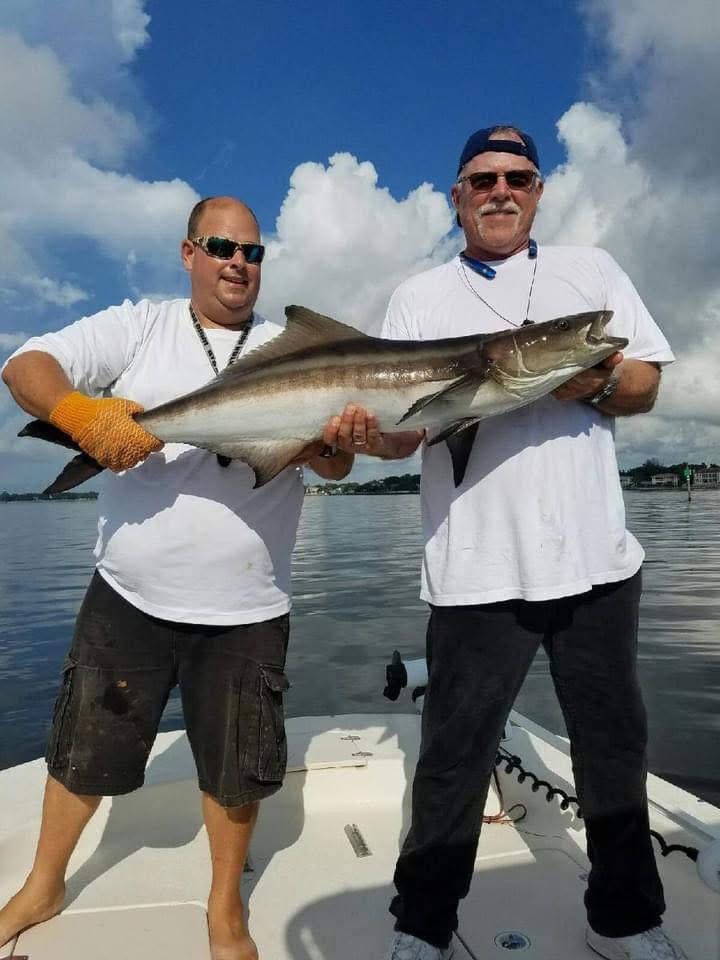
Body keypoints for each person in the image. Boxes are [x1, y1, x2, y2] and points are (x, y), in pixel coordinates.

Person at [333, 126, 685, 960]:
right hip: (474, 570)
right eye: (483, 178)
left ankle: (626, 921)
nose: (501, 190)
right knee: (452, 756)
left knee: (613, 748)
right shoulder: (420, 297)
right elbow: (403, 436)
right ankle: (422, 926)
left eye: (518, 177)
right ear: (457, 195)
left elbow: (644, 381)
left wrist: (587, 372)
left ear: (538, 190)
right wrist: (359, 433)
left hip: (596, 562)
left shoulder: (591, 275)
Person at [0, 196, 355, 960]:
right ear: (188, 252)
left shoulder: (291, 349)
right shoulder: (139, 326)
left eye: (253, 253)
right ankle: (43, 883)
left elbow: (340, 459)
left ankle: (224, 906)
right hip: (128, 595)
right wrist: (81, 415)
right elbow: (23, 365)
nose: (238, 263)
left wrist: (336, 445)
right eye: (222, 247)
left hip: (249, 603)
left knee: (239, 768)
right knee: (81, 749)